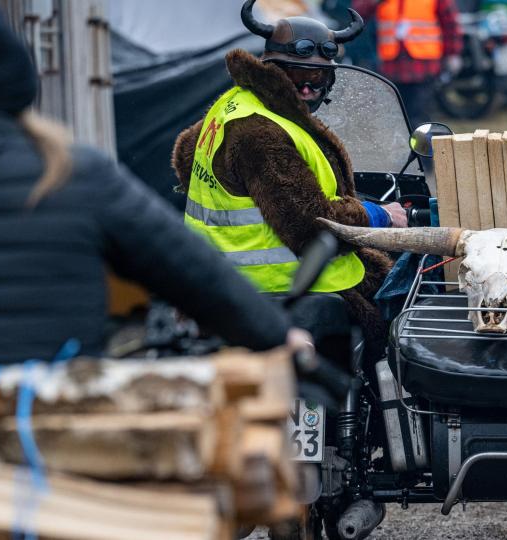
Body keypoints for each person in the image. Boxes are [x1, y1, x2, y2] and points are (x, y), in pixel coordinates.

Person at [0, 0, 309, 363]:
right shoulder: (75, 175)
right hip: (51, 418)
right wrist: (279, 335)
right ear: (21, 92)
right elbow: (194, 272)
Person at [171, 0, 402, 353]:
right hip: (283, 288)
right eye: (296, 76)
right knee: (390, 328)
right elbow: (311, 227)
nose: (307, 88)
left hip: (217, 281)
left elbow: (185, 154)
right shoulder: (260, 132)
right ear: (272, 70)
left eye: (318, 77)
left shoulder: (235, 104)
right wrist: (379, 215)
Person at [354, 0, 463, 125]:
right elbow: (358, 13)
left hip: (424, 67)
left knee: (419, 120)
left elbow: (450, 23)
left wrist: (453, 53)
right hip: (391, 68)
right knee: (394, 120)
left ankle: (420, 143)